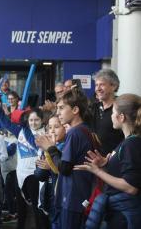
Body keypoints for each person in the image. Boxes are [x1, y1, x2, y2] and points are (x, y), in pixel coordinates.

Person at [75, 93, 141, 228]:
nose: (111, 116)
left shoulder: (131, 144)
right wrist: (105, 164)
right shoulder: (127, 142)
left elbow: (131, 187)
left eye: (113, 112)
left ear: (121, 117)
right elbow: (122, 173)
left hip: (123, 216)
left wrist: (98, 171)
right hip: (118, 212)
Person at [45, 89, 99, 229]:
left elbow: (64, 168)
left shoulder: (74, 132)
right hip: (81, 196)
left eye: (62, 108)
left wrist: (50, 148)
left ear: (75, 109)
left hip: (72, 198)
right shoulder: (86, 129)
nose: (58, 113)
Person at [90, 69, 124, 155]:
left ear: (114, 86)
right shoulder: (93, 107)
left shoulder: (122, 107)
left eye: (102, 85)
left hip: (114, 162)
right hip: (95, 162)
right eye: (96, 85)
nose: (98, 89)